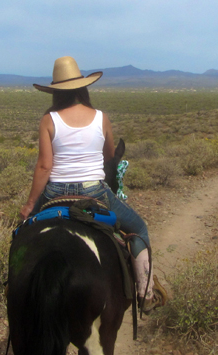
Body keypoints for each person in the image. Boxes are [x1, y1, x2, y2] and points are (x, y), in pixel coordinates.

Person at [20, 56, 166, 313]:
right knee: (140, 228)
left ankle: (15, 290)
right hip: (94, 191)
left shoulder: (49, 119)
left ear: (55, 92)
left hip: (55, 192)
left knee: (22, 232)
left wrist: (30, 204)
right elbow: (109, 157)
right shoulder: (101, 118)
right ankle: (145, 294)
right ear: (83, 88)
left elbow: (44, 166)